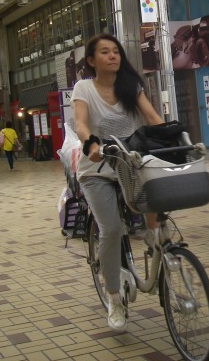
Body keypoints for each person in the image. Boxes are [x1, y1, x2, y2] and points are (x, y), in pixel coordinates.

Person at [72, 33, 163, 331]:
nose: (112, 56)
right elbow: (80, 122)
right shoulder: (84, 88)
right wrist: (90, 143)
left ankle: (154, 237)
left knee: (158, 196)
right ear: (91, 60)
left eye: (116, 51)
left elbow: (152, 117)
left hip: (129, 164)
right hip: (97, 169)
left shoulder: (130, 86)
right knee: (111, 229)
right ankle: (113, 297)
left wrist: (172, 139)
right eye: (105, 52)